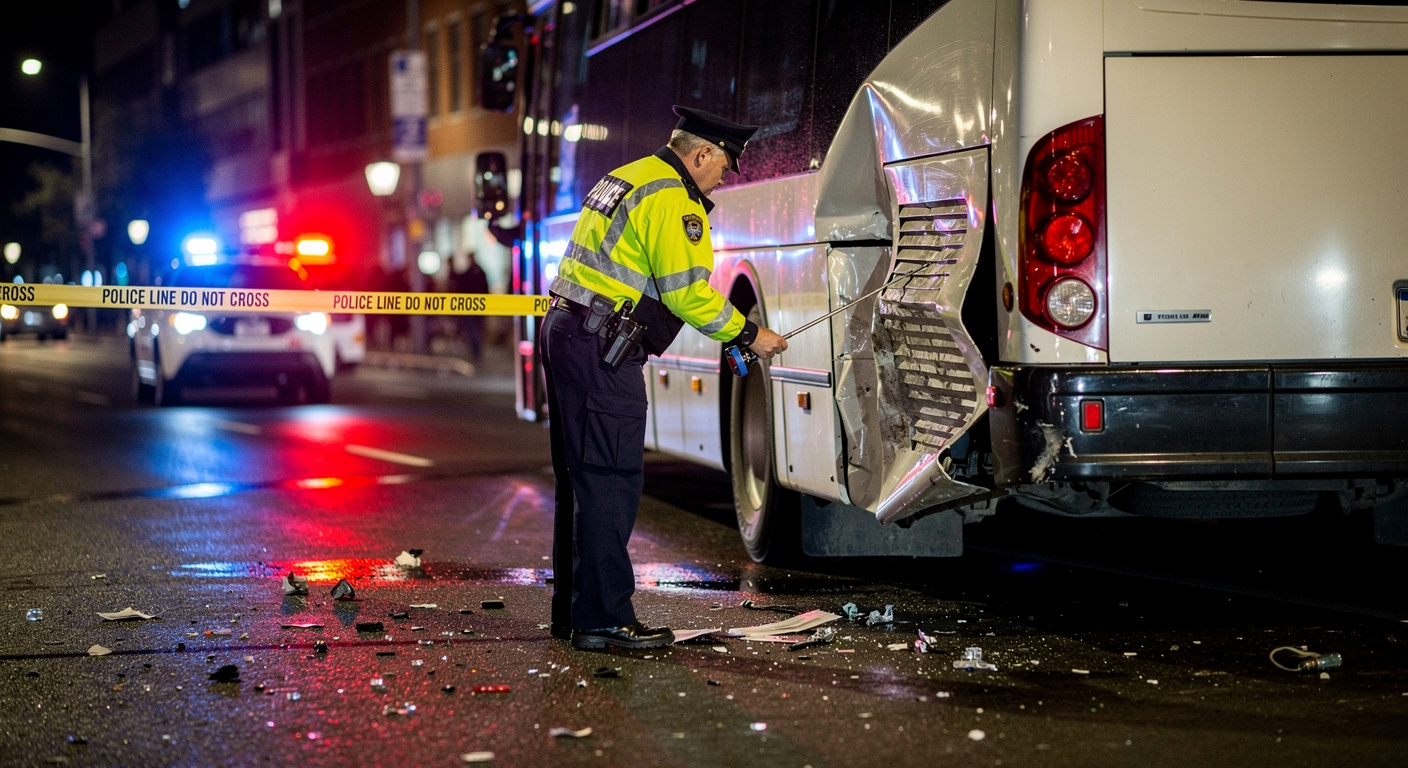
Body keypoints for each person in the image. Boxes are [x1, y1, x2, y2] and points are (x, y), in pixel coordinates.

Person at [541, 106, 788, 650]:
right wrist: (749, 334)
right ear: (700, 154)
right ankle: (605, 620)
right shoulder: (674, 198)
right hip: (603, 344)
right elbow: (686, 292)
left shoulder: (625, 177)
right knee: (610, 479)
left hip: (567, 329)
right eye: (723, 166)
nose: (724, 178)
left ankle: (577, 614)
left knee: (581, 481)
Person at [453, 253, 489, 360]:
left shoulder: (478, 272)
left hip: (475, 307)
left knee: (475, 330)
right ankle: (475, 351)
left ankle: (476, 351)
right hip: (471, 307)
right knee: (473, 330)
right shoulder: (474, 272)